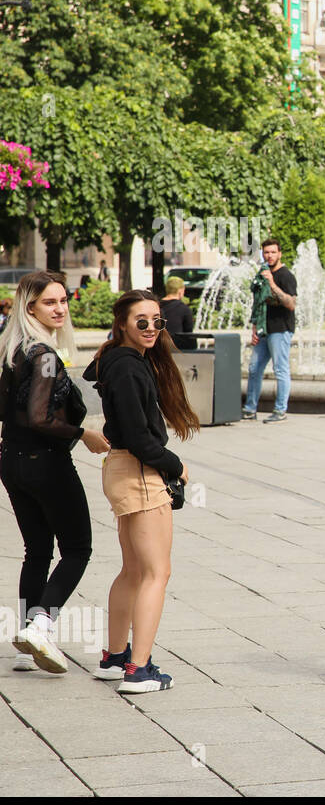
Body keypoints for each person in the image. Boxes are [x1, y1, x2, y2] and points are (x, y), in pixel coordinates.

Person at [84, 290, 200, 693]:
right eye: (142, 321)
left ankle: (116, 658)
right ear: (122, 324)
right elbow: (138, 436)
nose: (152, 328)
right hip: (138, 469)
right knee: (156, 572)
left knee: (134, 570)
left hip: (122, 467)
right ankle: (139, 669)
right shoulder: (129, 368)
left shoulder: (117, 361)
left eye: (157, 321)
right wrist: (176, 466)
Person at [0, 272, 110, 673]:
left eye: (63, 300)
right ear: (30, 308)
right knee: (78, 548)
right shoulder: (44, 356)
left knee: (37, 551)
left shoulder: (12, 350)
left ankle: (25, 644)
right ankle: (41, 626)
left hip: (11, 461)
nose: (60, 309)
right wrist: (84, 433)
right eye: (50, 303)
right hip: (45, 462)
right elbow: (40, 417)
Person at [241, 238, 297, 424]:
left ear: (279, 253)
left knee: (280, 369)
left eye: (273, 252)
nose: (269, 256)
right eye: (266, 252)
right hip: (264, 329)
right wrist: (254, 329)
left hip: (281, 329)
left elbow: (290, 304)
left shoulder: (286, 275)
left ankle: (280, 410)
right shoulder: (262, 274)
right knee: (254, 368)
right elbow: (258, 304)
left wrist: (272, 284)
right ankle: (250, 409)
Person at [160, 276, 196, 350]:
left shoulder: (156, 305)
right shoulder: (184, 309)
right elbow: (189, 334)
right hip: (176, 348)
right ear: (180, 290)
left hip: (158, 346)